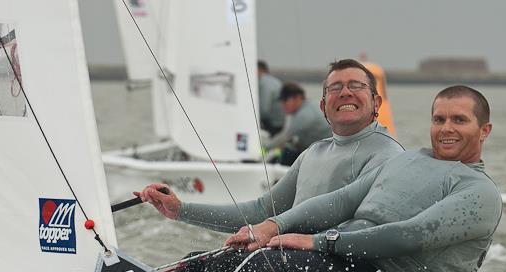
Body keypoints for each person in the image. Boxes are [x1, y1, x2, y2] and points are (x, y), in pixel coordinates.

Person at [171, 86, 503, 272]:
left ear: (484, 131)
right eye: (439, 119)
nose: (446, 128)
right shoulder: (409, 159)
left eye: (459, 120)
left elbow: (407, 236)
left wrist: (316, 242)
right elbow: (342, 201)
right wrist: (273, 226)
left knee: (262, 265)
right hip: (337, 265)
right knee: (198, 265)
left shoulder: (480, 192)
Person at [139, 58, 403, 234]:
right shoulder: (313, 153)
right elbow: (262, 211)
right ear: (324, 106)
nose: (345, 92)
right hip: (291, 257)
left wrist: (284, 235)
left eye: (355, 86)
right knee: (193, 267)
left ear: (377, 103)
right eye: (335, 87)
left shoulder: (387, 154)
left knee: (248, 268)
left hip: (331, 270)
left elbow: (371, 230)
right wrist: (181, 210)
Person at [264, 82, 332, 166]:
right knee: (286, 149)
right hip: (319, 148)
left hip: (326, 153)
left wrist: (262, 149)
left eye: (285, 100)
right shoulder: (308, 106)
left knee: (287, 153)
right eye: (281, 101)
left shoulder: (303, 115)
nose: (282, 105)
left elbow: (284, 137)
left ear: (298, 98)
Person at [257, 60, 285, 136]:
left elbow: (264, 109)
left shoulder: (264, 82)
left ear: (259, 69)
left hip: (272, 125)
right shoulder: (276, 81)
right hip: (281, 122)